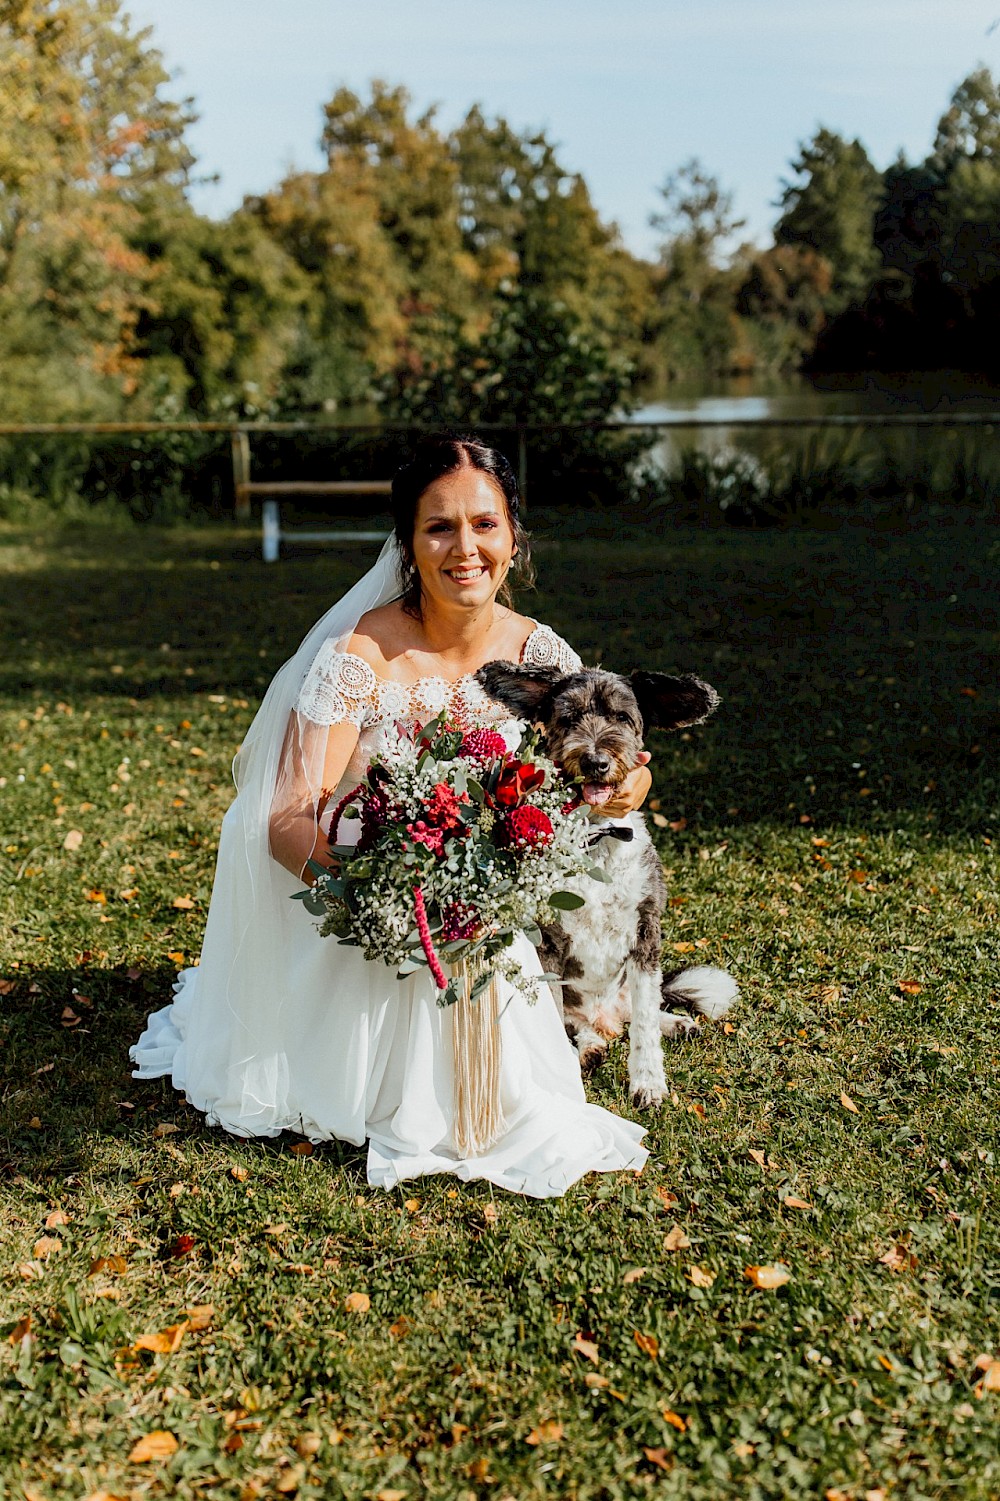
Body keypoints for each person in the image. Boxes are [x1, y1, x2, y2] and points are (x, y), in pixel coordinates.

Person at [130, 436, 654, 1196]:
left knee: (524, 1094)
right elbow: (283, 816)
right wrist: (383, 892)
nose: (465, 548)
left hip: (493, 919)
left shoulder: (545, 656)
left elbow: (608, 763)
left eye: (485, 523)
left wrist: (633, 786)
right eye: (439, 527)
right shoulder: (360, 655)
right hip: (368, 907)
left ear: (514, 536)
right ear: (409, 543)